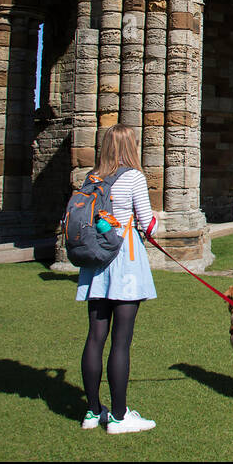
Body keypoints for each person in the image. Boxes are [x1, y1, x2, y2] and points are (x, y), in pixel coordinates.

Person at [76, 124, 158, 434]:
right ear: (130, 147)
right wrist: (149, 225)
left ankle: (92, 411)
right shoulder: (134, 177)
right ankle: (120, 417)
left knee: (95, 338)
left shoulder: (92, 178)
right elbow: (147, 223)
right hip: (124, 262)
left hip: (96, 265)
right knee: (121, 342)